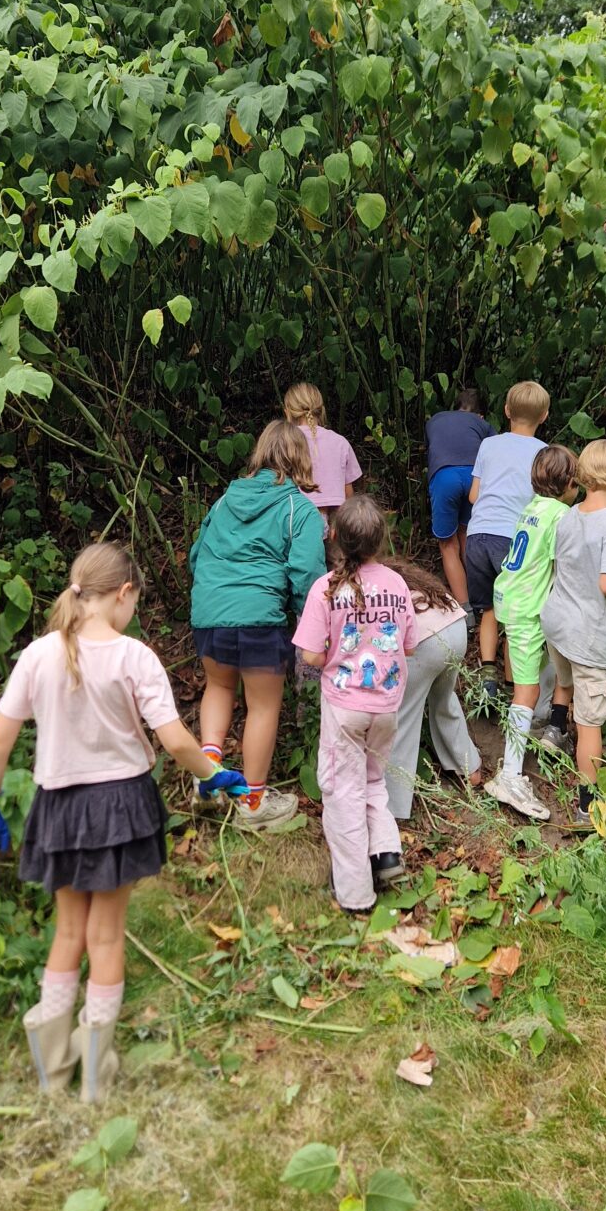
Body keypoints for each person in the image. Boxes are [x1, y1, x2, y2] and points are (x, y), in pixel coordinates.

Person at [0, 543, 245, 1103]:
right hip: (120, 806)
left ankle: (52, 1070)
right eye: (133, 603)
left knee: (68, 933)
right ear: (124, 594)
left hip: (59, 809)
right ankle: (97, 1075)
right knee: (106, 935)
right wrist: (212, 774)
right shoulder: (135, 657)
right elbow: (173, 739)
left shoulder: (38, 654)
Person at [190, 421, 326, 831]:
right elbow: (307, 573)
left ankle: (209, 783)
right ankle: (253, 803)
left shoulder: (223, 501)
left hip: (210, 613)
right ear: (300, 458)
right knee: (263, 705)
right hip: (260, 618)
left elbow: (197, 555)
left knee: (219, 687)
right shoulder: (297, 508)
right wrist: (311, 621)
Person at [292, 497, 417, 914]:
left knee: (342, 791)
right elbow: (409, 644)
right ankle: (385, 854)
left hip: (345, 707)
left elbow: (309, 656)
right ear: (382, 540)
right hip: (386, 704)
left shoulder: (326, 587)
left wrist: (335, 652)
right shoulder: (398, 585)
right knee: (373, 779)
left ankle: (355, 893)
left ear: (334, 539)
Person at [540, 439, 606, 827]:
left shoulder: (567, 516)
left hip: (557, 623)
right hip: (586, 633)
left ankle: (553, 729)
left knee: (563, 679)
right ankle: (588, 807)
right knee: (591, 724)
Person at [484, 445, 579, 822]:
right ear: (570, 483)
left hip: (510, 597)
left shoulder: (532, 506)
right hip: (528, 608)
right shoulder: (562, 515)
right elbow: (563, 563)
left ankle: (529, 732)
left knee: (534, 677)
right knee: (526, 690)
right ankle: (509, 774)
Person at [466, 381, 550, 700]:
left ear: (506, 411)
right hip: (514, 540)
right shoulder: (543, 452)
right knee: (515, 612)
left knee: (487, 607)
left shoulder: (489, 445)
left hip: (477, 536)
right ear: (544, 416)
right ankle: (515, 685)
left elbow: (474, 495)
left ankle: (488, 674)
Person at [383, 557, 482, 820]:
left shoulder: (374, 584)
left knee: (402, 717)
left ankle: (394, 808)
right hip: (455, 628)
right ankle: (469, 768)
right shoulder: (413, 579)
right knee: (444, 700)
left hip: (425, 641)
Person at [424, 387, 495, 632]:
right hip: (474, 476)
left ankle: (466, 613)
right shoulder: (482, 425)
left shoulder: (435, 420)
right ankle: (482, 604)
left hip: (445, 476)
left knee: (448, 544)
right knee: (467, 536)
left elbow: (433, 450)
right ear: (481, 415)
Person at [283, 382, 362, 521]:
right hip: (334, 523)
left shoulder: (283, 442)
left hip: (294, 521)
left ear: (287, 412)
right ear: (321, 409)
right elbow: (348, 494)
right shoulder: (340, 442)